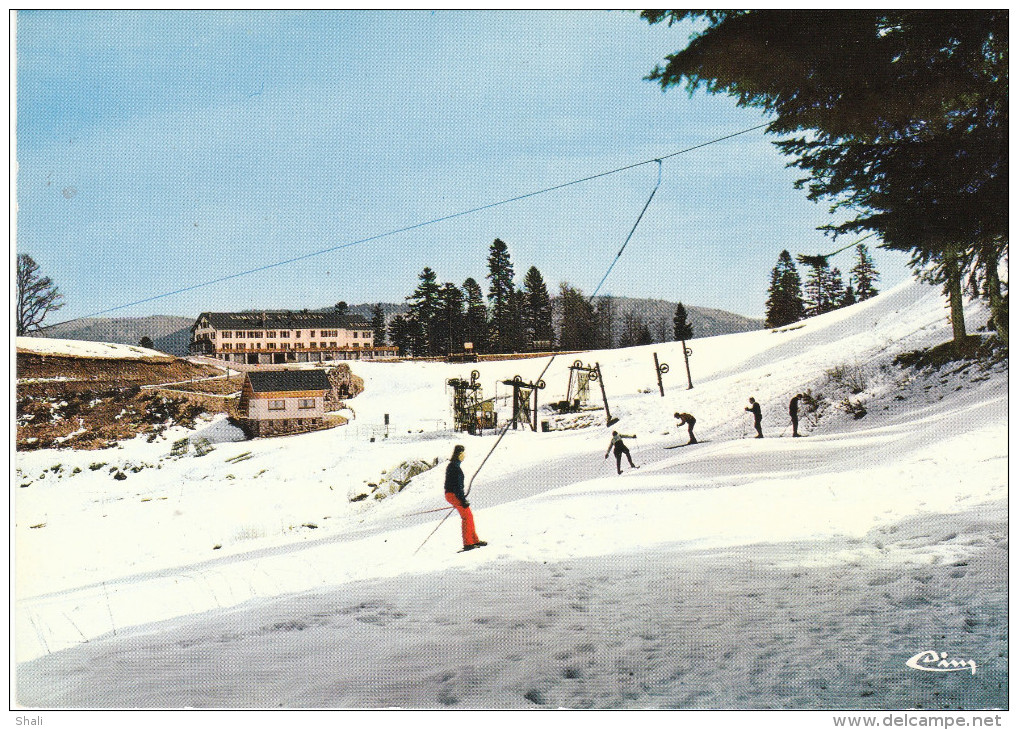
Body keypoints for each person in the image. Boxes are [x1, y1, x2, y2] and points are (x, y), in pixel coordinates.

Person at [444, 445, 486, 551]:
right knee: (466, 517)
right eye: (463, 454)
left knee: (469, 516)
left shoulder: (453, 466)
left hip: (453, 494)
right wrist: (462, 500)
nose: (464, 456)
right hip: (453, 494)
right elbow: (457, 486)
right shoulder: (455, 467)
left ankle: (474, 540)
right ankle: (468, 543)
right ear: (459, 455)